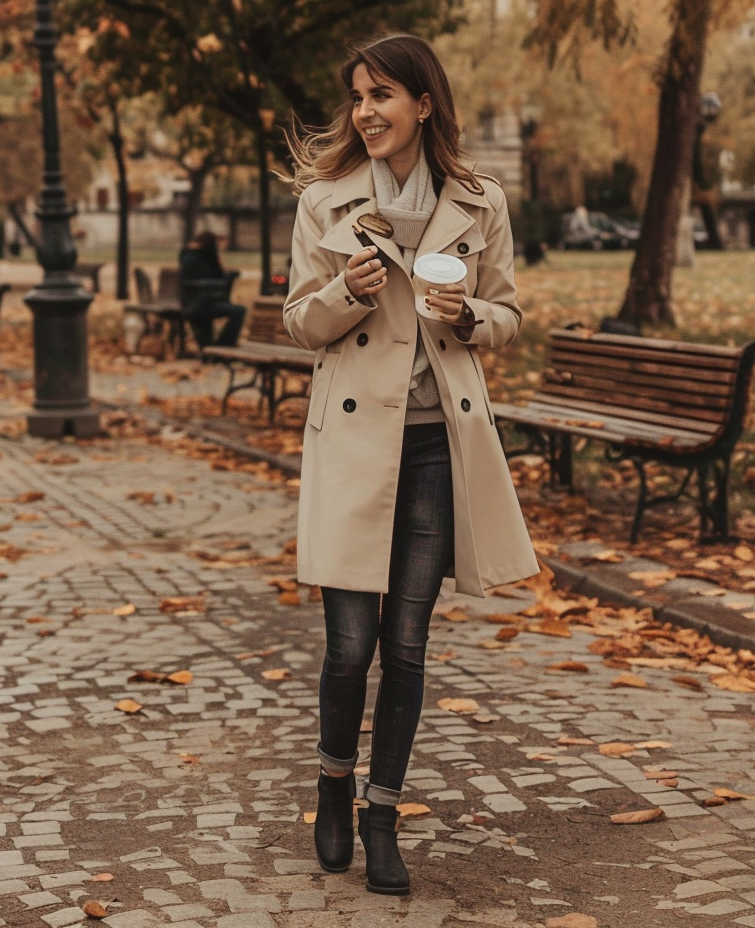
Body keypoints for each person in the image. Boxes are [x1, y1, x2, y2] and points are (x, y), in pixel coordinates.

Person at [283, 35, 539, 895]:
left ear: (424, 103)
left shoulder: (479, 201)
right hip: (356, 443)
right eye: (357, 96)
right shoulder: (326, 200)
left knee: (409, 644)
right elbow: (296, 322)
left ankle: (383, 815)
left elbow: (507, 315)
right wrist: (343, 294)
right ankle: (331, 789)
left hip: (436, 445)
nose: (365, 111)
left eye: (382, 94)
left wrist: (469, 317)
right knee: (350, 648)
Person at [177, 231, 245, 348]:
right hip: (201, 305)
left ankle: (217, 348)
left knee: (206, 339)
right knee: (238, 311)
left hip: (199, 303)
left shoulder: (192, 256)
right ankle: (224, 345)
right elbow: (212, 277)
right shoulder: (198, 258)